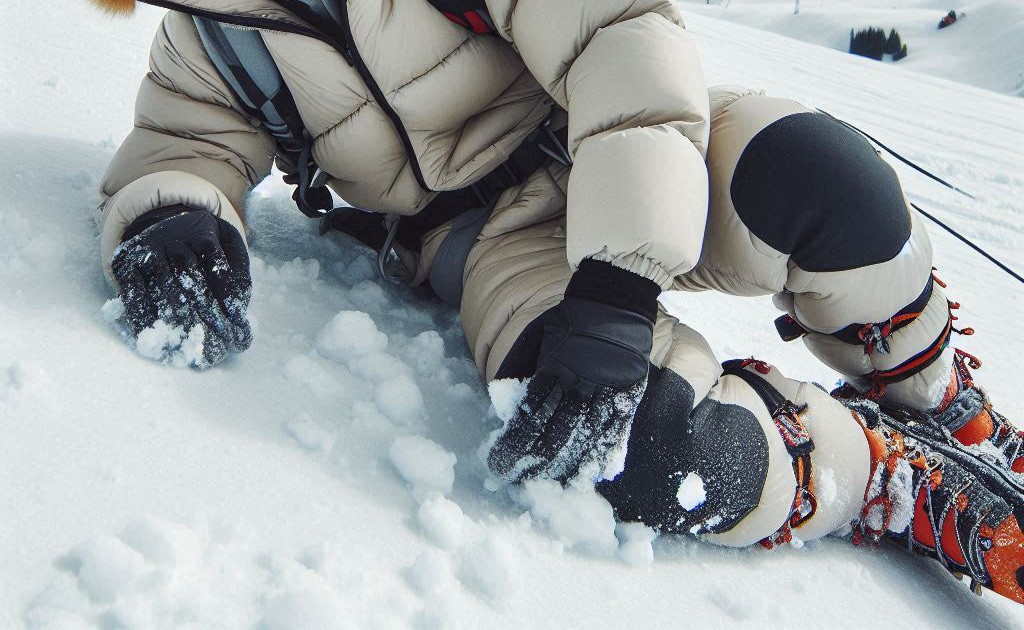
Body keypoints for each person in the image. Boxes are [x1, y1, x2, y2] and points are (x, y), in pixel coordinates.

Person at [91, 0, 1024, 604]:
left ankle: (939, 396)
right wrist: (171, 215)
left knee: (824, 180)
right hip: (484, 243)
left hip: (608, 139)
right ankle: (876, 472)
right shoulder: (214, 30)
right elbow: (183, 141)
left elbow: (619, 40)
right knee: (627, 443)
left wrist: (619, 285)